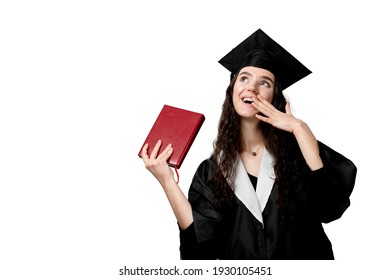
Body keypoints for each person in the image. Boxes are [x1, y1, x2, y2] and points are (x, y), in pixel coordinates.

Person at [141, 28, 357, 259]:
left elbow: (330, 208)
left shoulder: (300, 151)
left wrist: (299, 128)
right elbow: (201, 251)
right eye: (244, 78)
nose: (251, 87)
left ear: (275, 97)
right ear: (232, 90)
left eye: (264, 83)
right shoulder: (213, 171)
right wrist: (167, 181)